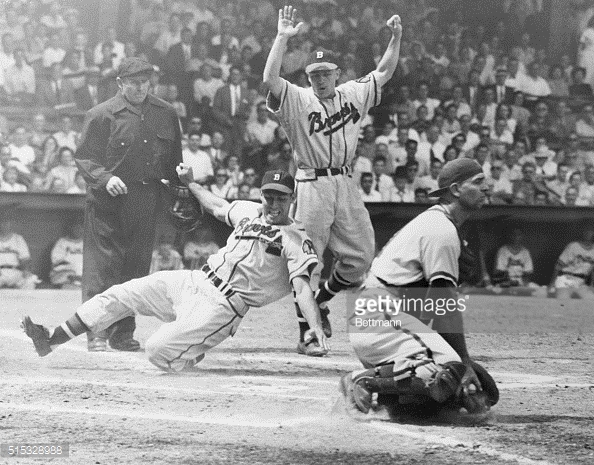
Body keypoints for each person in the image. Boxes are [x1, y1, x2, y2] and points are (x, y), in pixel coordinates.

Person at [22, 168, 329, 373]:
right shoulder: (249, 210)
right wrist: (192, 182)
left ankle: (190, 351)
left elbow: (302, 288)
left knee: (156, 350)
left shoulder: (297, 240)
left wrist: (312, 325)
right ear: (261, 194)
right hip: (193, 280)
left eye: (280, 197)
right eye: (268, 195)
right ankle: (52, 339)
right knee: (120, 293)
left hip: (223, 306)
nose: (273, 202)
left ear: (292, 199)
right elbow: (215, 205)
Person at [263, 5, 403, 356]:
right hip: (311, 184)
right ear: (308, 76)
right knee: (308, 262)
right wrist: (282, 37)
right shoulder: (298, 98)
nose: (320, 79)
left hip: (345, 182)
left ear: (337, 73)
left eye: (326, 72)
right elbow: (269, 80)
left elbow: (384, 71)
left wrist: (396, 37)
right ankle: (306, 333)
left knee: (360, 257)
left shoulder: (353, 93)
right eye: (314, 73)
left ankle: (322, 301)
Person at [339, 158, 498, 419]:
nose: (487, 188)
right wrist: (464, 364)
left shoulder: (440, 223)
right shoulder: (442, 230)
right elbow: (443, 306)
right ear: (456, 190)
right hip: (380, 319)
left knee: (475, 391)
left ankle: (394, 396)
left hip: (385, 320)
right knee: (450, 368)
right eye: (478, 182)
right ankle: (362, 380)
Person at [74, 57, 183, 353]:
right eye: (133, 83)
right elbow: (85, 157)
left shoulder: (166, 113)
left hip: (146, 199)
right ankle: (96, 331)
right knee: (102, 268)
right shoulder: (101, 114)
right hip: (107, 200)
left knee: (135, 269)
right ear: (120, 83)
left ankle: (123, 333)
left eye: (144, 82)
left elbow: (175, 161)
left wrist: (179, 189)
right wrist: (104, 178)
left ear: (151, 83)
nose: (139, 88)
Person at [549, 224, 594, 300]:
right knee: (563, 303)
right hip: (565, 279)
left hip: (581, 282)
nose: (588, 234)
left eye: (591, 231)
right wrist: (552, 283)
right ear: (583, 233)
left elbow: (593, 271)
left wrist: (592, 286)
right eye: (586, 231)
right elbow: (558, 266)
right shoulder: (573, 246)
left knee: (591, 300)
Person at [49, 222, 84, 289]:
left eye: (81, 227)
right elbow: (56, 262)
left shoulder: (86, 242)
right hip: (65, 273)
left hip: (82, 275)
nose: (79, 230)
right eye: (76, 227)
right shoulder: (62, 242)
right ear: (71, 228)